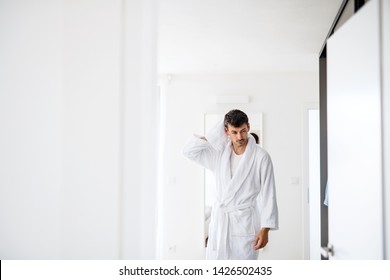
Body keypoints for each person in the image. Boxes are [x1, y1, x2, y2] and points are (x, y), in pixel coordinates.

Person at [182, 109, 278, 260]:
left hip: (244, 223)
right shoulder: (219, 154)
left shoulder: (261, 157)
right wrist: (212, 136)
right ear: (226, 131)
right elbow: (188, 151)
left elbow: (269, 194)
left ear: (248, 127)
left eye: (243, 131)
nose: (240, 137)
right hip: (221, 223)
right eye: (234, 132)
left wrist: (265, 229)